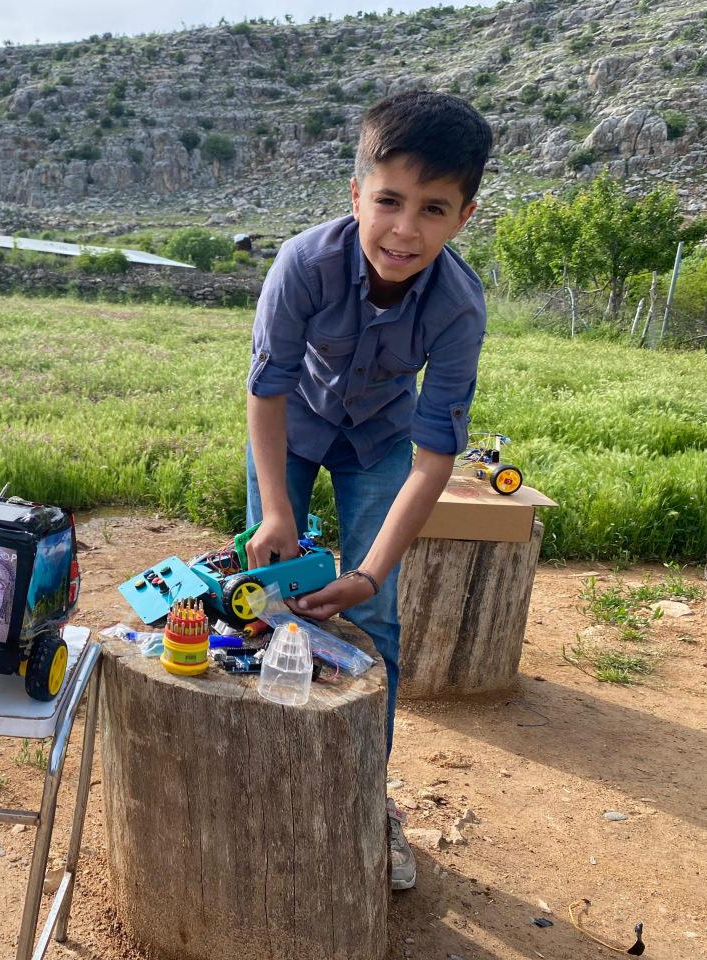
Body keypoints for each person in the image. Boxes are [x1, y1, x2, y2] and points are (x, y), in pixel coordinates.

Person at [244, 90, 492, 892]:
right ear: (356, 195)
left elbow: (433, 459)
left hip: (382, 443)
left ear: (463, 217)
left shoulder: (458, 306)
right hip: (293, 430)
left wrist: (369, 571)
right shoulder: (303, 265)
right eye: (387, 200)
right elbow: (267, 391)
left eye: (433, 209)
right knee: (267, 596)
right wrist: (278, 510)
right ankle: (264, 772)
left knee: (373, 619)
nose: (404, 229)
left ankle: (363, 796)